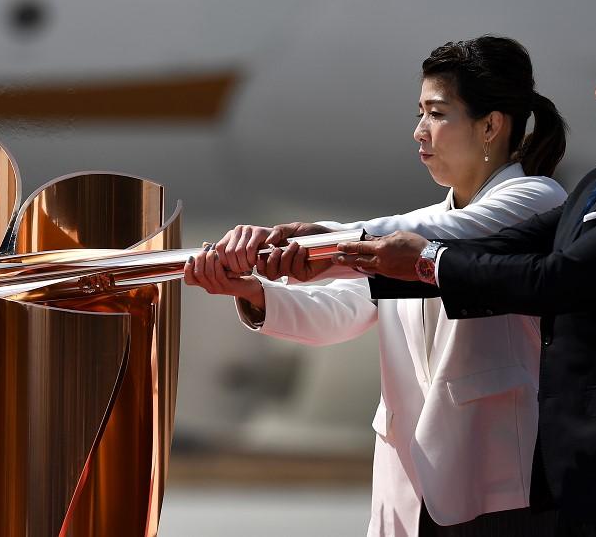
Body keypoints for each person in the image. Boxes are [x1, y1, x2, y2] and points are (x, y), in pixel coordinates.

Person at [334, 0, 596, 537]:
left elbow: (561, 280)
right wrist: (350, 256)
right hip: (585, 479)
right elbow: (505, 248)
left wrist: (426, 260)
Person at [185, 35, 569, 536]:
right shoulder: (420, 222)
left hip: (499, 480)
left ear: (490, 126)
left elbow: (440, 238)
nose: (420, 132)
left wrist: (321, 241)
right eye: (419, 114)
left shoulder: (536, 200)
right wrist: (253, 293)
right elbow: (343, 308)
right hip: (410, 483)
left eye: (436, 114)